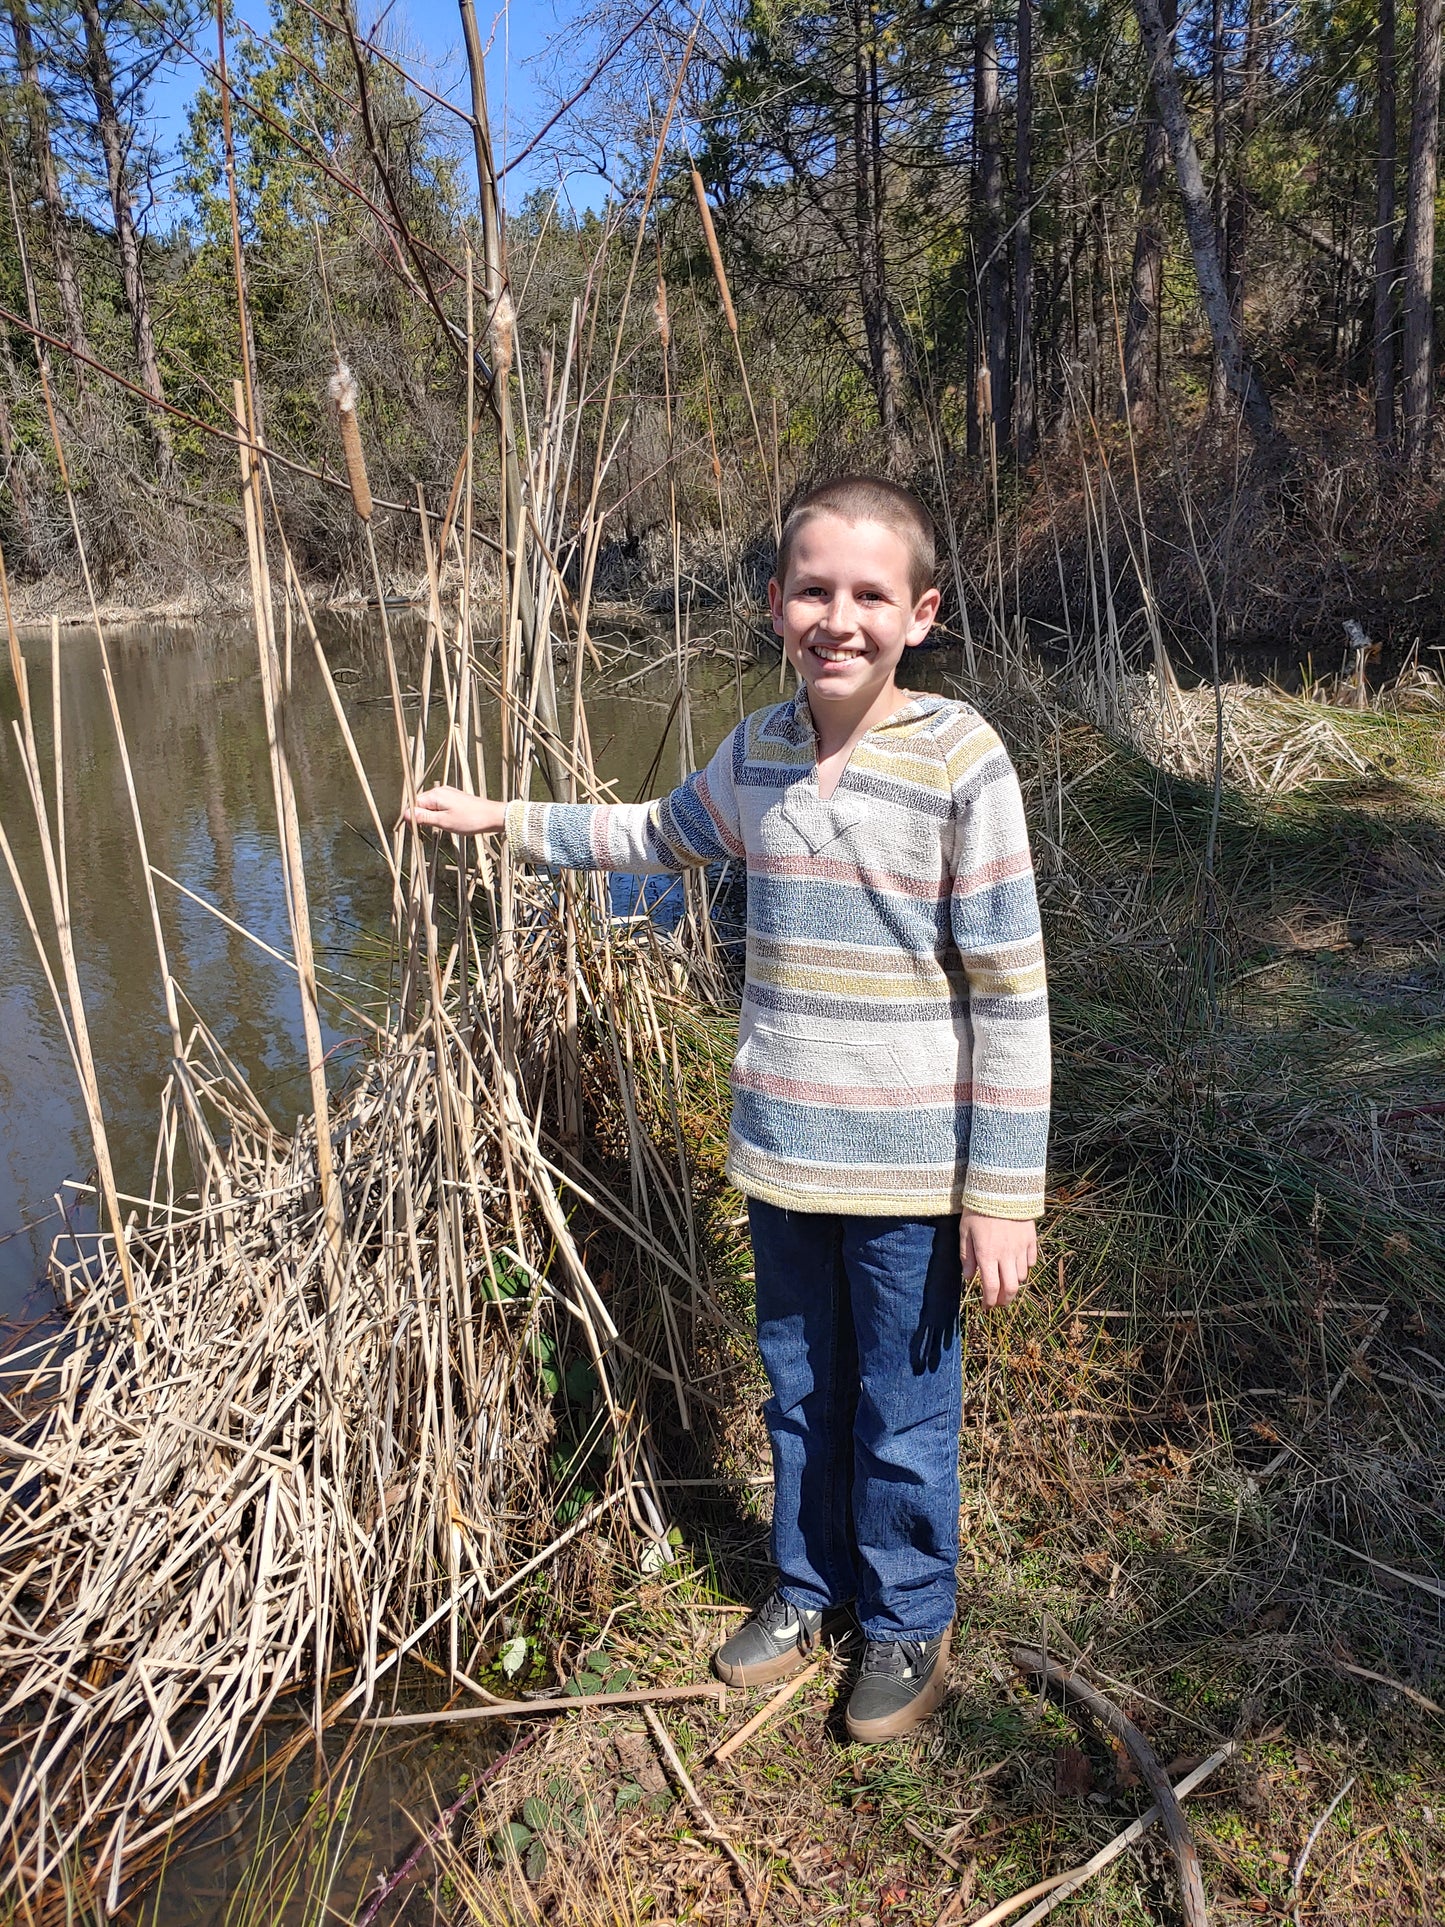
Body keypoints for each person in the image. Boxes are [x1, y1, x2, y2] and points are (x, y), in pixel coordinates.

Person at [405, 475, 1049, 1743]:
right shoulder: (754, 752)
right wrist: (503, 818)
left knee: (903, 1411)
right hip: (782, 1158)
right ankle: (807, 1589)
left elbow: (1011, 991)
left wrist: (1001, 1194)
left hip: (914, 1179)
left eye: (870, 595)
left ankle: (907, 1610)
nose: (838, 618)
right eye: (813, 589)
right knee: (800, 1388)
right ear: (773, 605)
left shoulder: (961, 759)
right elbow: (652, 833)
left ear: (919, 614)